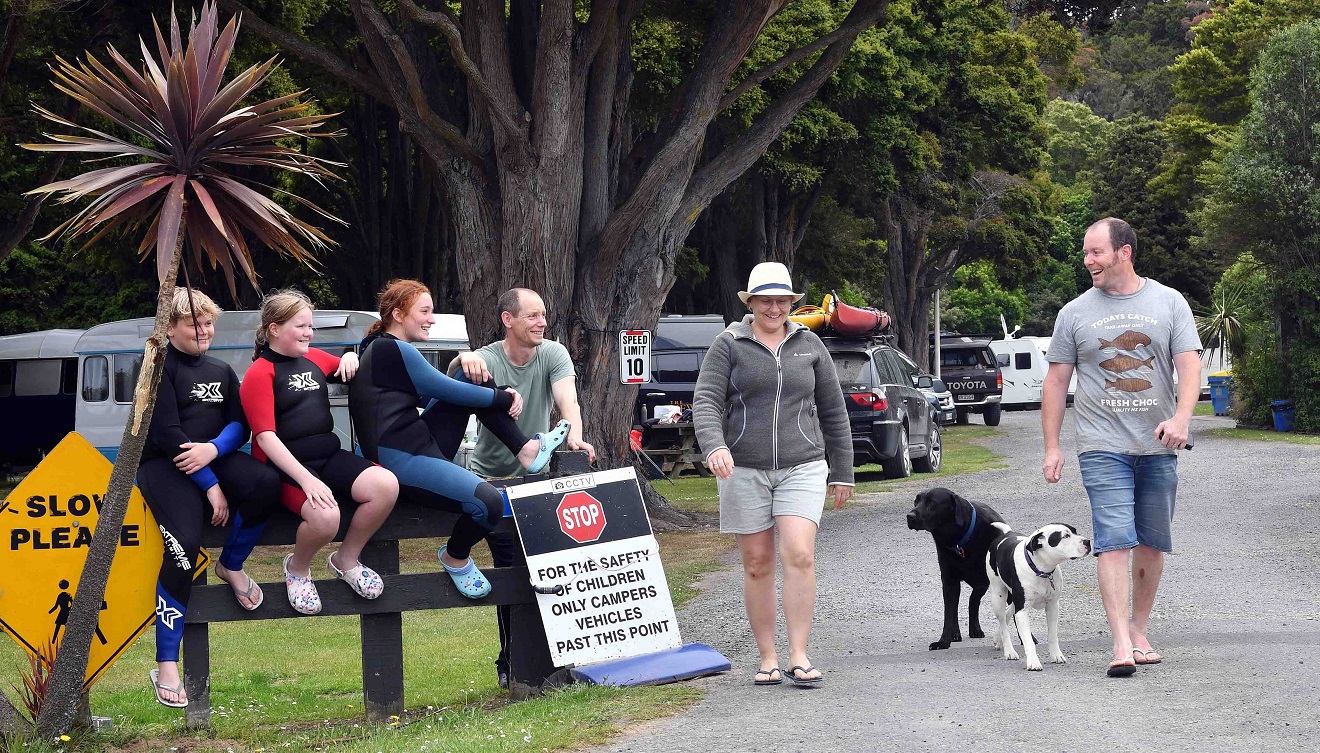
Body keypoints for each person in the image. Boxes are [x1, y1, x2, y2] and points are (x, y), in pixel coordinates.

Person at [1042, 217, 1202, 678]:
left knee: (1151, 542)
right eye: (1087, 252)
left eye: (1096, 252)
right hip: (1101, 444)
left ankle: (1139, 629)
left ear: (1124, 252)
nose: (1088, 260)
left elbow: (1189, 366)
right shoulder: (1074, 313)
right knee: (1113, 540)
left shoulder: (1168, 302)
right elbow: (1056, 381)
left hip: (1158, 443)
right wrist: (1052, 447)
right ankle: (1119, 644)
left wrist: (1182, 418)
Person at [691, 262, 854, 687]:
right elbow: (706, 400)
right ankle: (768, 658)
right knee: (758, 563)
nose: (775, 307)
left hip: (803, 464)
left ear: (791, 303)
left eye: (782, 300)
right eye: (766, 300)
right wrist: (715, 446)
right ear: (752, 303)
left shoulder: (810, 344)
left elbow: (834, 410)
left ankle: (799, 654)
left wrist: (843, 470)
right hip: (743, 467)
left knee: (798, 553)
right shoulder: (729, 344)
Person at [351, 280, 569, 597]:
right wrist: (502, 397)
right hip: (401, 460)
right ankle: (455, 556)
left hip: (420, 441)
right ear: (398, 314)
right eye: (424, 311)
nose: (432, 319)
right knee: (490, 503)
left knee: (472, 372)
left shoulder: (377, 347)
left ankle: (524, 449)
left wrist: (483, 384)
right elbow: (444, 389)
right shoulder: (389, 348)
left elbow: (433, 396)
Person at [136, 288, 281, 707]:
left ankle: (230, 565)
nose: (204, 330)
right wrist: (210, 484)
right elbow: (165, 434)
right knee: (183, 546)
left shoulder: (220, 369)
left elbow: (240, 425)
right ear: (171, 327)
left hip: (210, 456)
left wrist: (214, 452)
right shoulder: (158, 366)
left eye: (208, 322)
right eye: (193, 323)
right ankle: (166, 662)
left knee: (265, 483)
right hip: (167, 464)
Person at [446, 286, 595, 687]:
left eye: (543, 315)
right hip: (492, 477)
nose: (542, 322)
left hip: (536, 479)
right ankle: (510, 663)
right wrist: (464, 357)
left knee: (547, 566)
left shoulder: (553, 353)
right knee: (511, 570)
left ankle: (551, 660)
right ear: (507, 320)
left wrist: (575, 438)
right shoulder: (488, 358)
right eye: (532, 316)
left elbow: (569, 404)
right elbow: (451, 383)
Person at [240, 289, 399, 615]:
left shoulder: (313, 357)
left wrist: (352, 357)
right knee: (326, 517)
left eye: (310, 326)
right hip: (286, 468)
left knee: (386, 486)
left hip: (328, 456)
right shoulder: (259, 373)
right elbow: (266, 437)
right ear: (274, 329)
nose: (309, 333)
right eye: (301, 326)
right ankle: (297, 569)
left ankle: (346, 559)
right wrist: (307, 481)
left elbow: (342, 364)